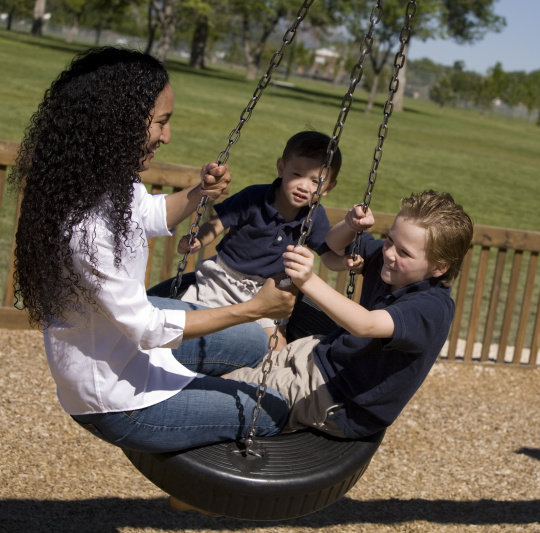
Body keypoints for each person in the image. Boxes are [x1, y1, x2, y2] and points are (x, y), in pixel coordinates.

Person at [10, 47, 296, 455]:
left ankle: (203, 386)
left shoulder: (108, 180)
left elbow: (150, 212)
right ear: (119, 122)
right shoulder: (87, 228)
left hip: (129, 347)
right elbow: (147, 327)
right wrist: (254, 308)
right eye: (161, 122)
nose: (167, 136)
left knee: (253, 343)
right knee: (272, 412)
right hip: (115, 397)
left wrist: (200, 192)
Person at [226, 190, 474, 439]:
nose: (389, 253)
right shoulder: (391, 262)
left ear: (439, 267)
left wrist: (308, 280)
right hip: (322, 354)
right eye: (389, 240)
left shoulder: (431, 308)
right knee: (238, 362)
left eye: (404, 253)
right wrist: (349, 225)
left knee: (227, 389)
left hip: (340, 400)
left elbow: (365, 325)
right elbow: (335, 245)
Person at [177, 130, 368, 348]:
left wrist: (344, 262)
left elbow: (327, 256)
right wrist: (199, 240)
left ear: (329, 187)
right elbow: (219, 221)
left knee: (275, 344)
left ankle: (263, 379)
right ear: (281, 168)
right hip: (223, 280)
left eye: (316, 181)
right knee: (189, 326)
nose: (304, 186)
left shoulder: (315, 216)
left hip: (268, 292)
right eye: (297, 175)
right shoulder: (254, 198)